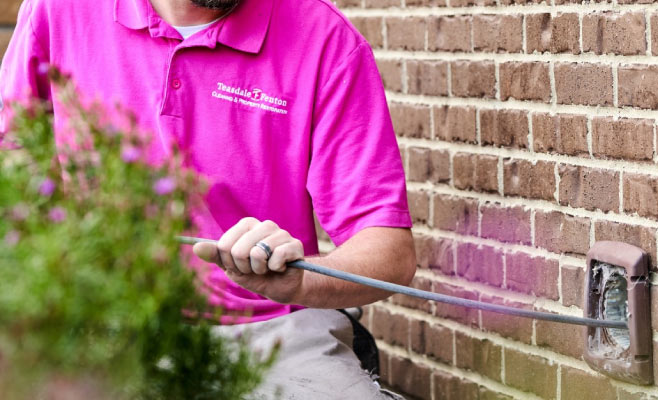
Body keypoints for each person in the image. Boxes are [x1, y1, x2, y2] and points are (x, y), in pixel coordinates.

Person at [0, 0, 416, 397]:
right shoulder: (56, 11)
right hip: (95, 323)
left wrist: (300, 280)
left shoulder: (323, 37)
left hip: (270, 336)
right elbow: (11, 172)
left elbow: (388, 253)